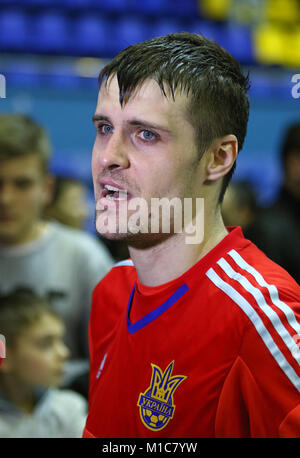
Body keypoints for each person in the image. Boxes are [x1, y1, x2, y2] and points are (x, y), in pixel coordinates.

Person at [83, 33, 300, 438]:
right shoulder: (111, 292)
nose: (108, 156)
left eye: (145, 134)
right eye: (104, 127)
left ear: (218, 158)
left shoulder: (261, 315)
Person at [0, 114, 114, 384]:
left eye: (22, 184)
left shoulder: (84, 259)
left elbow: (111, 364)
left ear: (47, 188)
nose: (5, 198)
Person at [0, 289, 87, 438]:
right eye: (46, 344)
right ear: (5, 357)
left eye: (61, 341)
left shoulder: (70, 409)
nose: (63, 353)